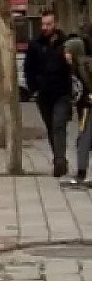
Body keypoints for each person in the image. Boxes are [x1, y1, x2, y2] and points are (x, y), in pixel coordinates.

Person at [25, 10, 73, 177]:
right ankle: (59, 158)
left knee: (59, 124)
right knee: (51, 127)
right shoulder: (35, 45)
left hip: (62, 93)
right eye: (43, 24)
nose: (45, 27)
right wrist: (34, 89)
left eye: (49, 24)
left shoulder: (66, 43)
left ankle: (59, 160)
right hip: (43, 95)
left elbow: (74, 66)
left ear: (56, 24)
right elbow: (28, 69)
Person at [64, 37, 92, 186]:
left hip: (89, 107)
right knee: (83, 140)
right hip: (84, 108)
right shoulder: (74, 67)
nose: (65, 54)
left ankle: (82, 172)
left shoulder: (86, 65)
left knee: (84, 140)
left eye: (68, 51)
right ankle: (81, 171)